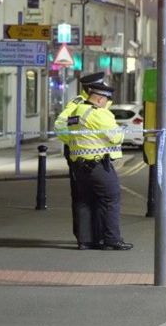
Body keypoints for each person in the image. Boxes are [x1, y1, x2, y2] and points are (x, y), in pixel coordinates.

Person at [56, 82, 133, 251]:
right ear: (99, 98)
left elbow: (63, 130)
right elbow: (115, 137)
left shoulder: (76, 111)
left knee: (84, 201)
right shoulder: (99, 114)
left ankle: (86, 241)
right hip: (98, 164)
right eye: (106, 99)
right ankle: (112, 240)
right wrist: (122, 130)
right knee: (111, 198)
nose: (106, 103)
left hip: (79, 165)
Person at [53, 72, 107, 249]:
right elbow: (60, 125)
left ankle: (98, 237)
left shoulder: (101, 102)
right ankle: (85, 239)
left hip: (99, 154)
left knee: (99, 197)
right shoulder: (76, 103)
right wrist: (75, 142)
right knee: (82, 196)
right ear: (92, 89)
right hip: (80, 156)